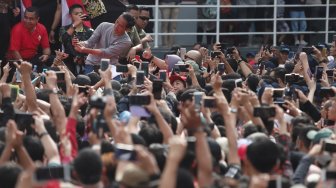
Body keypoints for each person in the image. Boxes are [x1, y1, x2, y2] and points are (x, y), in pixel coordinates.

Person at [8, 6, 51, 71]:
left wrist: (46, 55)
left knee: (52, 60)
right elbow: (14, 51)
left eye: (31, 19)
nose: (27, 21)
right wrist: (24, 65)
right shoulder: (17, 29)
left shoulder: (42, 28)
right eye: (25, 17)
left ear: (37, 19)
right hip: (17, 60)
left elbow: (46, 47)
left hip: (33, 59)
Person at [59, 4, 94, 75]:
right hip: (69, 62)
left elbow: (93, 48)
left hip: (85, 62)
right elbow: (63, 40)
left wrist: (80, 44)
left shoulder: (90, 31)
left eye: (81, 13)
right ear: (70, 15)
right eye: (76, 14)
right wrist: (74, 25)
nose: (79, 16)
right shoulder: (64, 29)